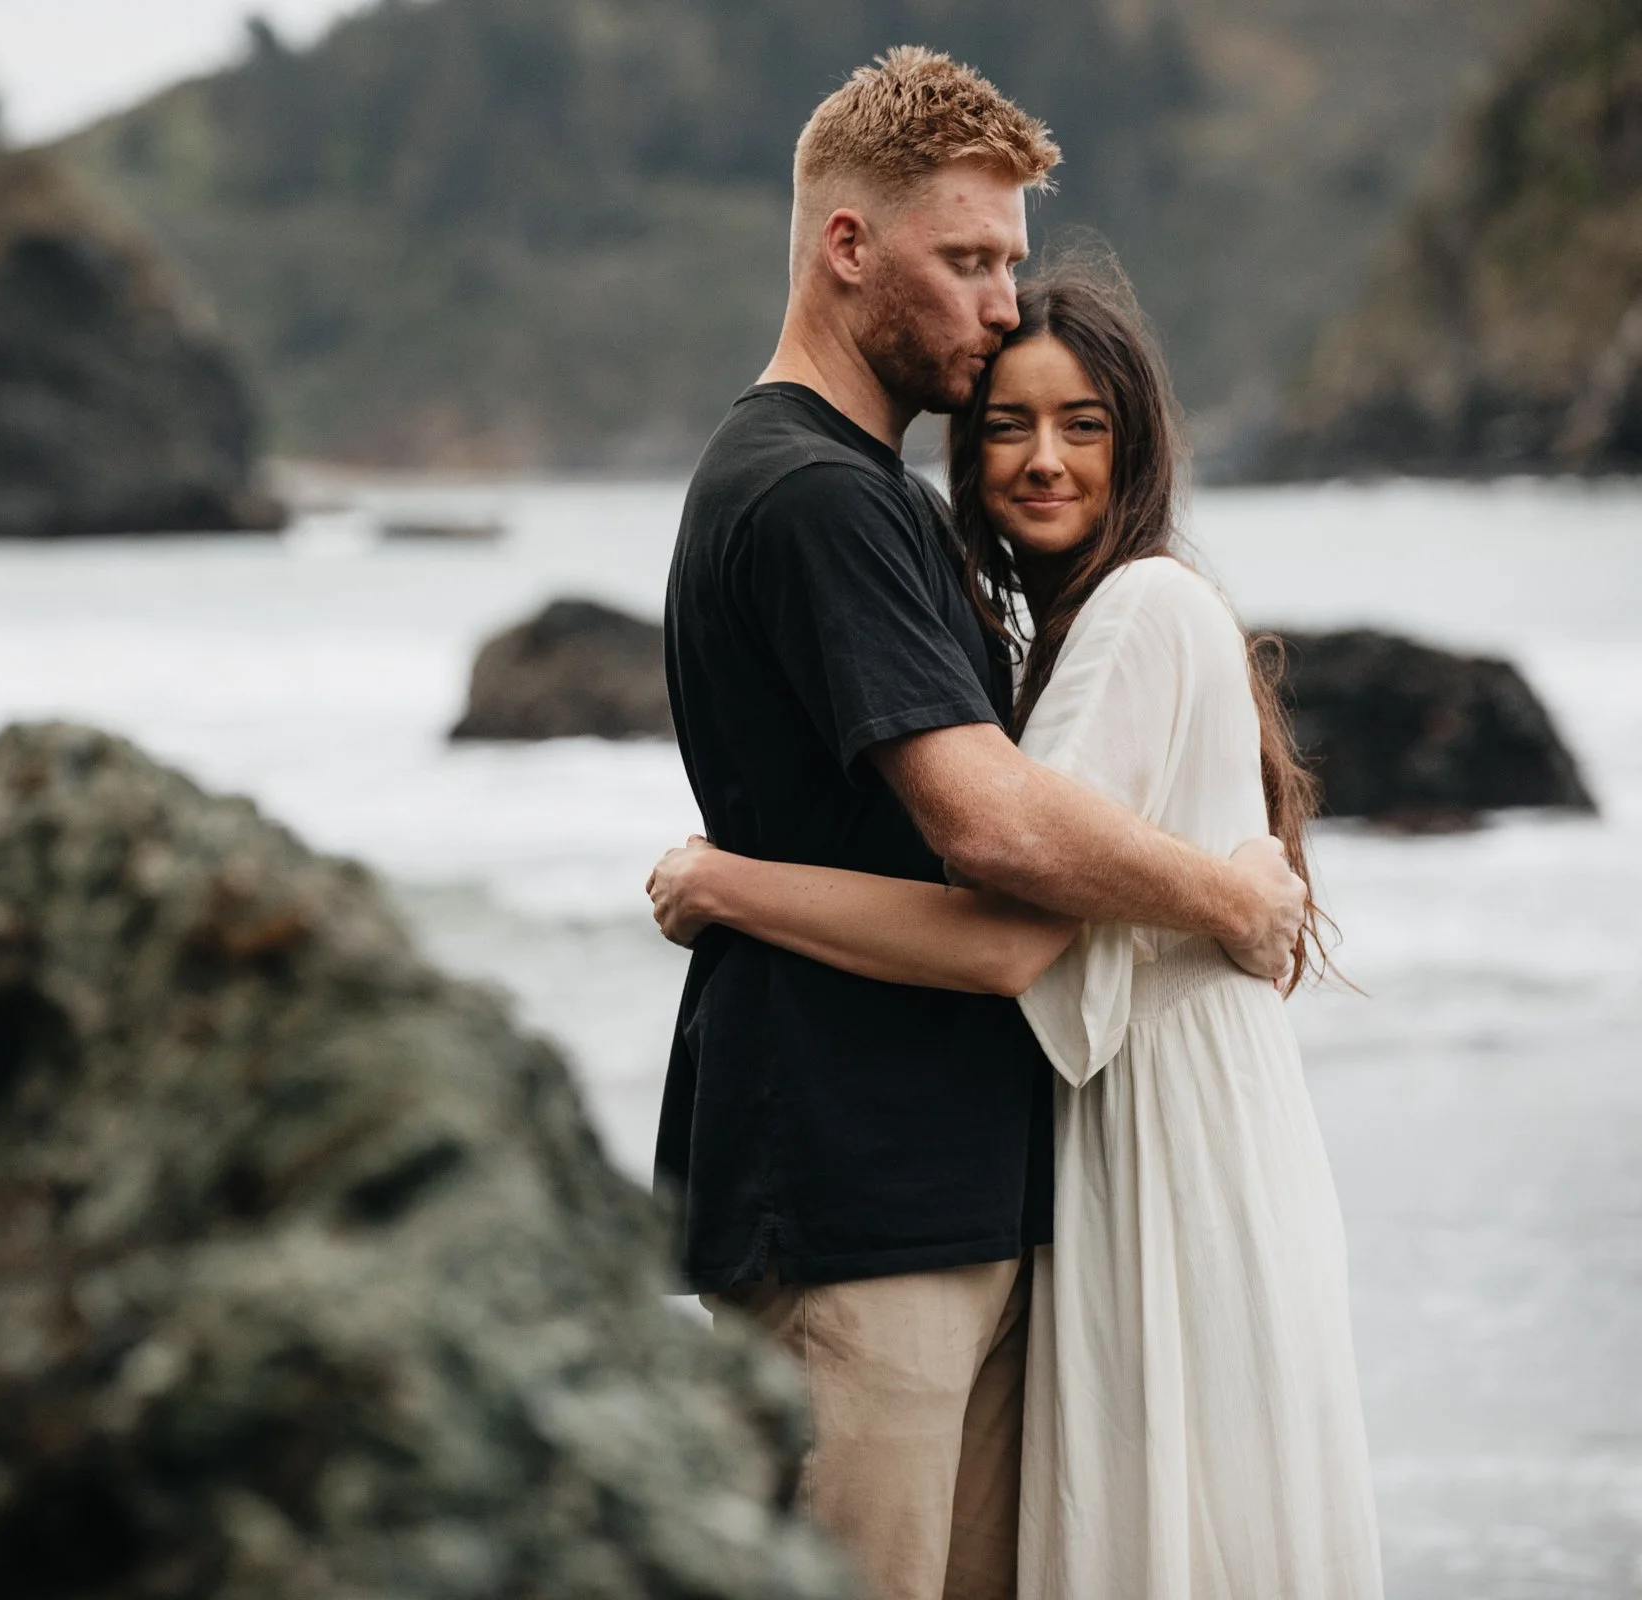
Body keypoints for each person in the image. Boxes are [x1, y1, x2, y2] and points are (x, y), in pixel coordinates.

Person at [654, 46, 1310, 1600]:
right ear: (847, 248)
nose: (1002, 300)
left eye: (1011, 258)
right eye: (966, 260)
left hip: (933, 1198)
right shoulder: (818, 497)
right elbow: (997, 835)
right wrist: (1225, 898)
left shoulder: (862, 496)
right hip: (846, 1203)